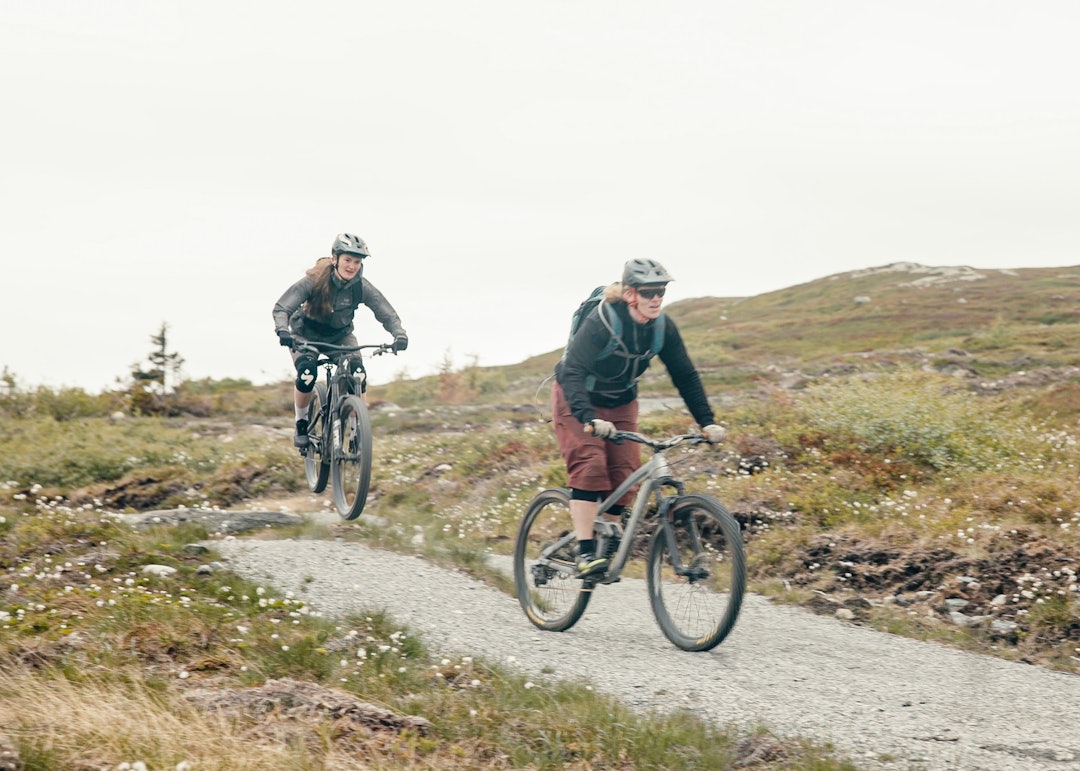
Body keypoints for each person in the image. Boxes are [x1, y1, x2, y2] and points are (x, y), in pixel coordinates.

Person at [552, 258, 725, 577]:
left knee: (625, 472)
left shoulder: (662, 327)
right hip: (576, 397)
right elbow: (573, 371)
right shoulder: (603, 321)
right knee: (590, 466)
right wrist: (587, 417)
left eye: (661, 291)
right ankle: (586, 551)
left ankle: (608, 539)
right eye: (648, 292)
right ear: (631, 294)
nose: (656, 298)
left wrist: (707, 421)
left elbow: (685, 375)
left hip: (621, 401)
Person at [273, 233, 408, 447]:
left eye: (357, 262)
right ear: (335, 258)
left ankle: (357, 432)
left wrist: (398, 333)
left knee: (357, 374)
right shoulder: (314, 281)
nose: (352, 266)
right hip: (305, 335)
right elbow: (283, 307)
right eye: (347, 260)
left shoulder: (360, 286)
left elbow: (385, 312)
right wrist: (283, 330)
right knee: (307, 373)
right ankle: (301, 423)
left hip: (340, 336)